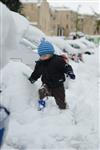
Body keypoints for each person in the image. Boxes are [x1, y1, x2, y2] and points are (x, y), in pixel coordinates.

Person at [29, 39, 75, 110]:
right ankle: (41, 107)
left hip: (58, 85)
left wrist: (70, 72)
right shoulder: (40, 63)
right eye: (41, 55)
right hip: (46, 84)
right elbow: (36, 72)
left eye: (45, 55)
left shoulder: (57, 60)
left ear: (51, 53)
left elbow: (66, 67)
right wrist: (33, 78)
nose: (43, 57)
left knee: (60, 101)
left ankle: (64, 110)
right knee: (41, 92)